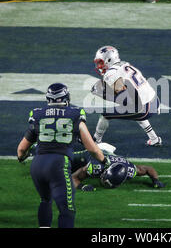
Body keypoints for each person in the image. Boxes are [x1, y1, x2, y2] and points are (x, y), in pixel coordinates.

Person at [16, 83, 110, 228]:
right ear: (66, 98)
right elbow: (91, 147)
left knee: (45, 200)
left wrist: (22, 157)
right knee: (67, 209)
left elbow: (21, 150)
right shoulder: (75, 113)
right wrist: (104, 160)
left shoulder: (37, 114)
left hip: (37, 165)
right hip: (58, 164)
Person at [91, 45, 162, 146]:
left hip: (145, 107)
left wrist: (102, 94)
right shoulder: (125, 65)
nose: (99, 66)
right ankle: (154, 139)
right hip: (155, 100)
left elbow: (125, 100)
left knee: (105, 115)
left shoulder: (110, 74)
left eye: (101, 62)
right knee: (135, 107)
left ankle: (95, 141)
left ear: (109, 60)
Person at [71, 148, 165, 191]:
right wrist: (81, 186)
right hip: (91, 154)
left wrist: (155, 180)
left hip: (108, 153)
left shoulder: (129, 169)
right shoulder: (95, 167)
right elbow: (73, 178)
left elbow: (148, 169)